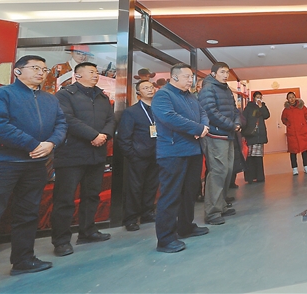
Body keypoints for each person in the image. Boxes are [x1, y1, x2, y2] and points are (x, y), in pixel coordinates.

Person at [0, 56, 67, 294]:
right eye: (35, 68)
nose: (41, 72)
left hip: (35, 166)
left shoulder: (50, 99)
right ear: (17, 71)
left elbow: (61, 124)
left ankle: (23, 260)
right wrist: (33, 144)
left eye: (44, 69)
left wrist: (52, 143)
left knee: (28, 214)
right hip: (0, 165)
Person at [51, 62, 115, 257]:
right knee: (65, 199)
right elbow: (67, 119)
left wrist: (104, 135)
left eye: (96, 72)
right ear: (77, 75)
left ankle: (88, 231)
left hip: (96, 154)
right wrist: (93, 135)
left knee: (92, 195)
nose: (96, 75)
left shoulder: (102, 96)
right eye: (91, 72)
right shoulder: (65, 95)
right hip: (71, 154)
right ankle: (61, 241)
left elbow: (111, 119)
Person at [151, 63, 210, 253]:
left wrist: (203, 127)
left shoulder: (190, 96)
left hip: (193, 150)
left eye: (191, 77)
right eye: (187, 77)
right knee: (171, 195)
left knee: (189, 192)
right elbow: (170, 117)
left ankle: (186, 227)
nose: (190, 80)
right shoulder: (163, 95)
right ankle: (165, 239)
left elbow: (203, 113)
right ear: (174, 77)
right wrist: (197, 128)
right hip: (173, 152)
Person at [197, 62, 241, 225]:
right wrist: (231, 125)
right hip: (215, 135)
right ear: (213, 74)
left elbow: (235, 110)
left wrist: (237, 123)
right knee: (218, 172)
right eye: (222, 72)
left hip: (227, 134)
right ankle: (212, 212)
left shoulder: (226, 88)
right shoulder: (208, 88)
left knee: (227, 170)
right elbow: (210, 112)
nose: (225, 75)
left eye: (227, 72)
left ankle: (221, 205)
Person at [116, 80, 159, 232]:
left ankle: (147, 213)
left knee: (151, 186)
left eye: (151, 87)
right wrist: (132, 154)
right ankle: (131, 218)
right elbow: (124, 136)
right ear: (138, 93)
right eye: (145, 88)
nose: (150, 90)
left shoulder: (158, 109)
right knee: (135, 188)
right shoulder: (132, 112)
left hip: (156, 154)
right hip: (138, 156)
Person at [281, 91, 307, 175]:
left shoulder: (302, 107)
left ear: (295, 97)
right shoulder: (286, 110)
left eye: (293, 97)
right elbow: (283, 119)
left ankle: (306, 166)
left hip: (302, 131)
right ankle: (294, 168)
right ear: (287, 99)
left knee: (304, 150)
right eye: (289, 97)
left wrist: (302, 123)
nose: (291, 99)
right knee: (293, 151)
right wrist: (289, 125)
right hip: (292, 133)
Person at [242, 91, 269, 184]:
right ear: (253, 98)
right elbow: (244, 120)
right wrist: (243, 134)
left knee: (258, 157)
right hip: (250, 135)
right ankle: (250, 177)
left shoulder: (262, 106)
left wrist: (261, 107)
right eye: (257, 97)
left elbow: (266, 115)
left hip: (259, 135)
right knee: (250, 157)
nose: (259, 99)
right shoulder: (248, 108)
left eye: (260, 97)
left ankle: (259, 177)